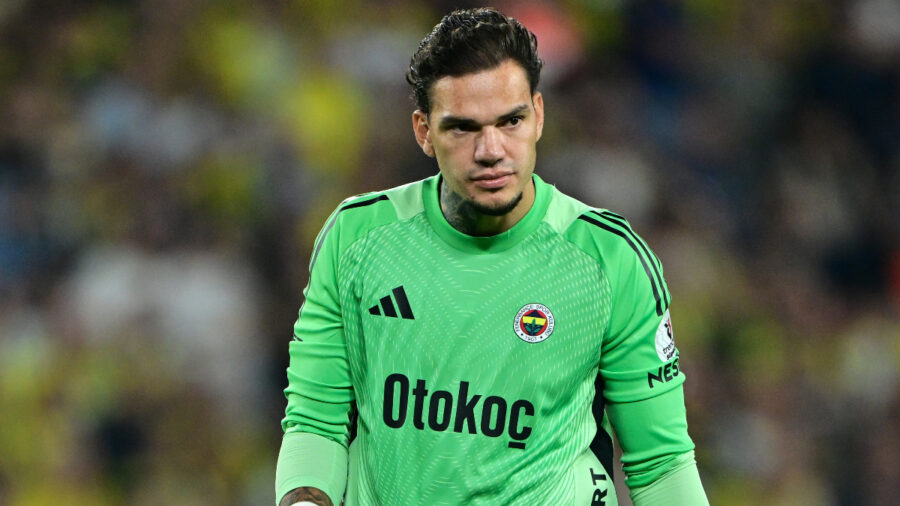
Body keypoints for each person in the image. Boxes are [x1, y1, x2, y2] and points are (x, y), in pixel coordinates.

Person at [275, 7, 708, 506]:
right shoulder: (358, 239)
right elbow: (316, 419)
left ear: (538, 115)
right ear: (423, 131)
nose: (491, 150)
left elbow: (661, 463)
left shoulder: (609, 259)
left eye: (511, 121)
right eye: (463, 128)